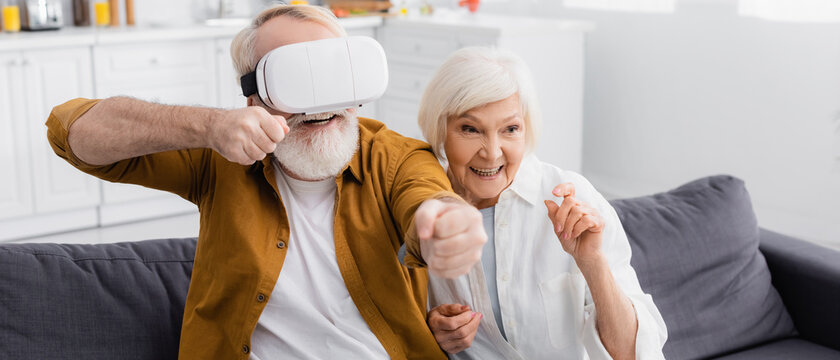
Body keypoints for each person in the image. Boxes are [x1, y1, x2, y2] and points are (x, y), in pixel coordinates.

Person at [45, 5, 488, 360]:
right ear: (252, 93)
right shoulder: (219, 155)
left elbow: (427, 199)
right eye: (295, 78)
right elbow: (70, 132)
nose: (319, 102)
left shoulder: (396, 156)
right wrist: (207, 125)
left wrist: (444, 222)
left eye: (332, 73)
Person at [410, 47, 668, 359]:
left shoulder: (573, 197)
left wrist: (592, 263)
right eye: (470, 129)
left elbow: (635, 354)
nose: (492, 153)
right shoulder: (419, 211)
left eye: (510, 129)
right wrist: (429, 331)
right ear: (441, 129)